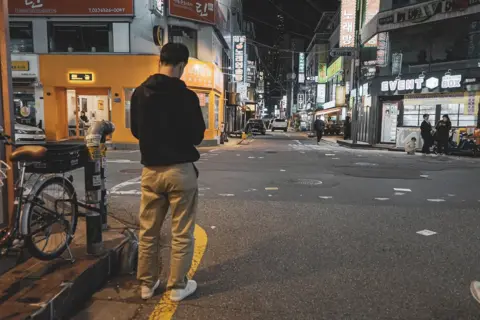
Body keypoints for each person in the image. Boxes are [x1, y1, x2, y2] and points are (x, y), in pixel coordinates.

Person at [130, 43, 205, 301]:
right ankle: (176, 287)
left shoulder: (140, 93)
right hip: (180, 171)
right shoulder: (188, 97)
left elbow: (136, 131)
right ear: (182, 65)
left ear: (160, 61)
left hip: (151, 170)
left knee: (148, 231)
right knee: (182, 232)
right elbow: (197, 136)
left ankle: (146, 285)